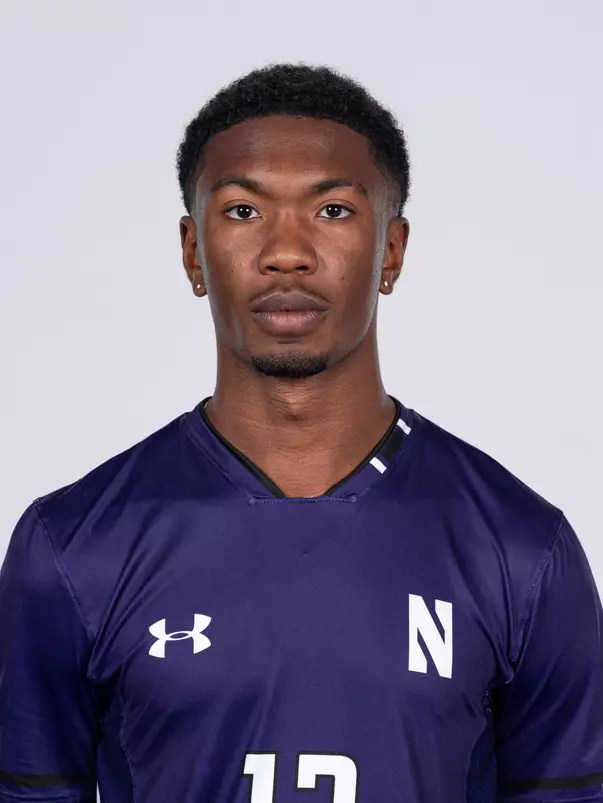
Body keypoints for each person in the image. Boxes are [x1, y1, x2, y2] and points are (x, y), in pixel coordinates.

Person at [0, 62, 601, 803]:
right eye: (244, 211)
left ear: (392, 250)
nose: (287, 250)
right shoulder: (70, 546)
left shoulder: (521, 549)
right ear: (193, 251)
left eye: (334, 211)